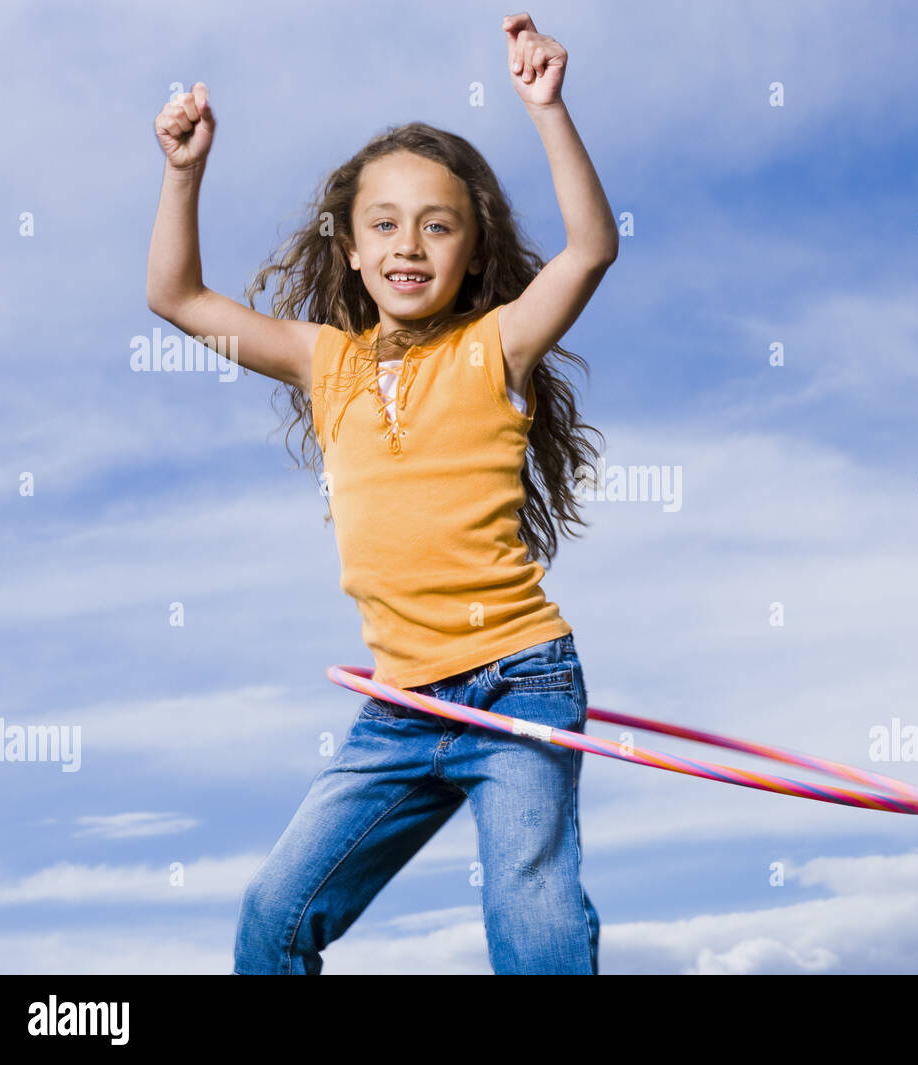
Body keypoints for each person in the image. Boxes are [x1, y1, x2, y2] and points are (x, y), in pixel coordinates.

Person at [146, 13, 616, 975]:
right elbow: (178, 299)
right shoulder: (327, 363)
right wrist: (183, 171)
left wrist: (548, 108)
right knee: (272, 917)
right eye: (385, 224)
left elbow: (590, 250)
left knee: (534, 931)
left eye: (439, 225)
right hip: (398, 704)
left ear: (475, 253)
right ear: (352, 250)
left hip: (518, 682)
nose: (411, 244)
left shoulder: (498, 348)